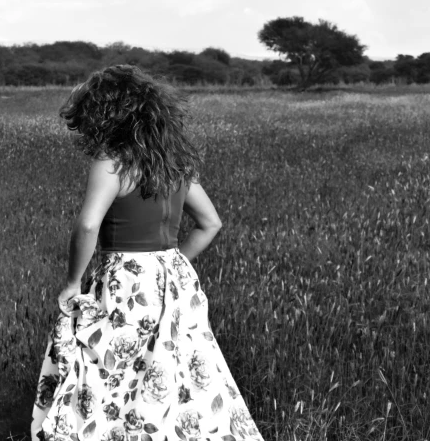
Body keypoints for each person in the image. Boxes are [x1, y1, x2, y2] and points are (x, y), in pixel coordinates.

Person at [31, 65, 264, 441]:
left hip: (124, 277)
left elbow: (88, 225)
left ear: (104, 113)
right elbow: (210, 224)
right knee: (175, 367)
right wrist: (173, 265)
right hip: (173, 276)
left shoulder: (112, 162)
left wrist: (73, 282)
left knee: (111, 366)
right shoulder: (173, 163)